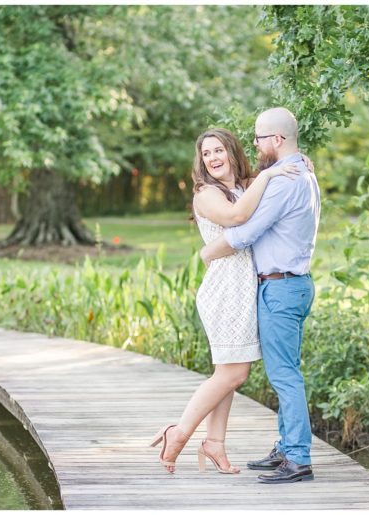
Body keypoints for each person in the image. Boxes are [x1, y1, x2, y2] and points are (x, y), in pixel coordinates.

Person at [150, 128, 302, 474]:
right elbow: (237, 218)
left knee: (229, 370)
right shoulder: (206, 194)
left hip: (243, 288)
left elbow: (270, 175)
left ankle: (215, 444)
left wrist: (293, 162)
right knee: (234, 372)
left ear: (232, 152)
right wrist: (269, 175)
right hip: (225, 290)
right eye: (206, 154)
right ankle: (180, 431)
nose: (213, 158)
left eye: (219, 150)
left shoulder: (244, 186)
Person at [199, 107, 321, 484]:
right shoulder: (301, 172)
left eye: (259, 138)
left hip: (281, 287)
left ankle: (297, 458)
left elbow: (244, 230)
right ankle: (287, 448)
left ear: (277, 140)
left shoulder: (285, 180)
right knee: (286, 372)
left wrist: (207, 252)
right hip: (290, 285)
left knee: (285, 376)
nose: (255, 145)